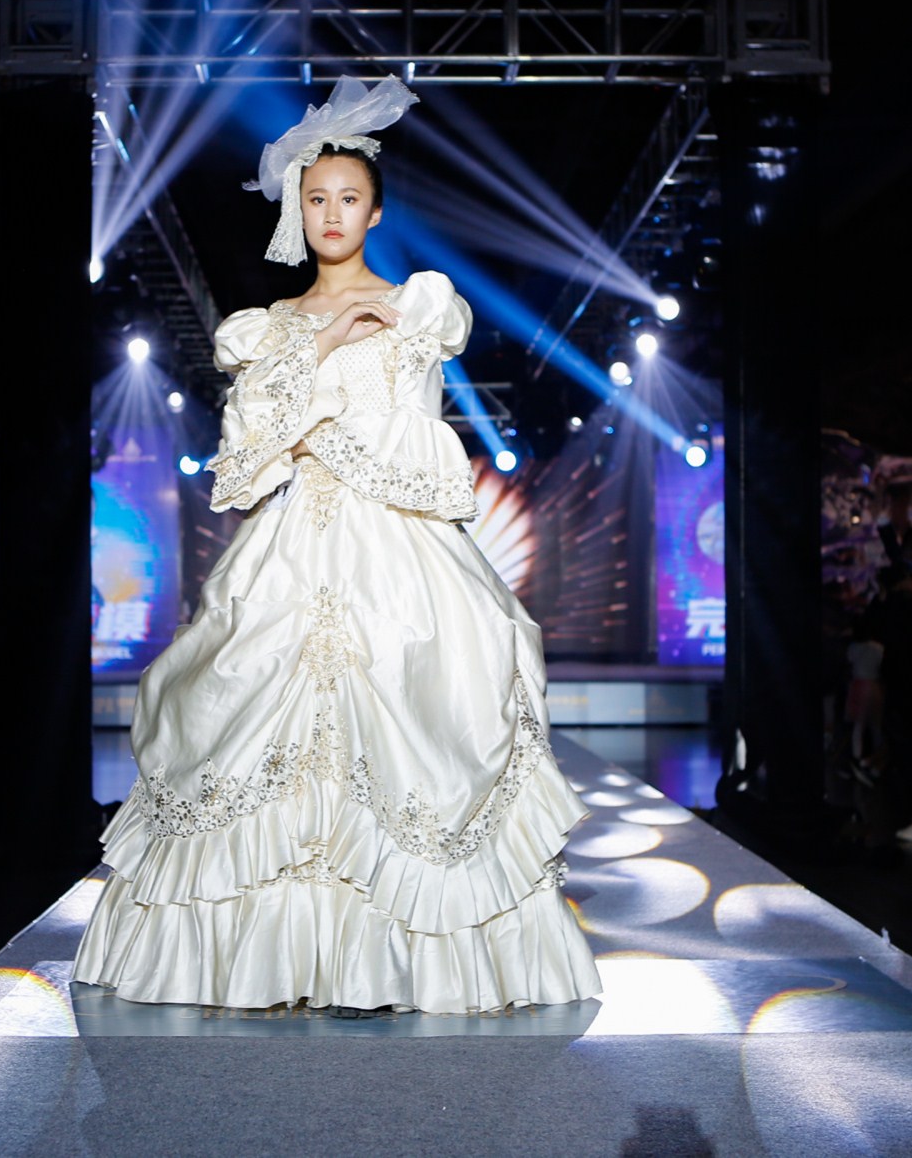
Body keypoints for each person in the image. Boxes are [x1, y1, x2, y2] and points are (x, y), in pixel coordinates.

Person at [73, 76, 601, 1014]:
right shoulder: (267, 331)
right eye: (314, 198)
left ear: (375, 210)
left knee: (415, 724)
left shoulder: (419, 309)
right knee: (251, 717)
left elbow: (424, 452)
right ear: (296, 208)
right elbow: (244, 465)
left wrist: (350, 362)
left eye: (347, 197)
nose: (330, 213)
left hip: (398, 554)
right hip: (291, 547)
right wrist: (318, 354)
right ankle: (271, 961)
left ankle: (394, 962)